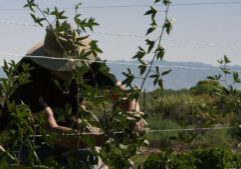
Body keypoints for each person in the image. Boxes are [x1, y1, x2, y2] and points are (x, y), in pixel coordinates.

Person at [0, 23, 144, 168]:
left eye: (74, 66)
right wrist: (102, 139)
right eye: (63, 67)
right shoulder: (26, 74)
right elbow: (50, 129)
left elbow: (122, 95)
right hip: (28, 139)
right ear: (48, 61)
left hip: (74, 132)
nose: (72, 71)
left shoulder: (89, 62)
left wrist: (133, 116)